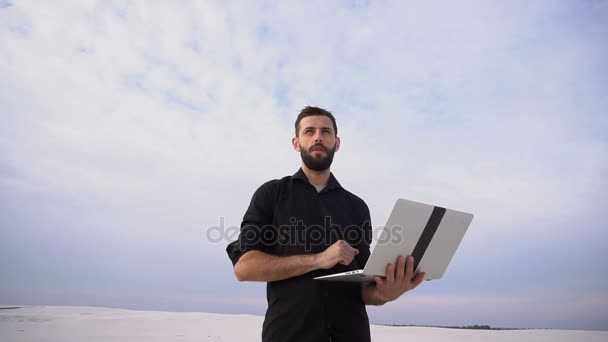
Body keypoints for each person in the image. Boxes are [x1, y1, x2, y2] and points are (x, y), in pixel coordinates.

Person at [226, 106, 425, 342]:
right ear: (296, 142)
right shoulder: (271, 194)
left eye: (325, 132)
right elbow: (244, 268)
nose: (318, 137)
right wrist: (319, 259)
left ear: (337, 143)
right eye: (309, 131)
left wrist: (387, 292)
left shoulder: (357, 207)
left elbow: (365, 289)